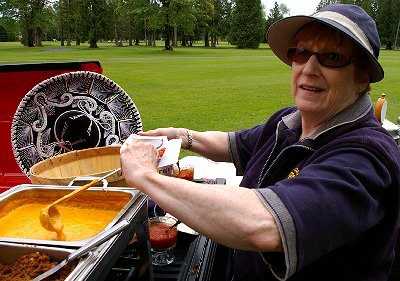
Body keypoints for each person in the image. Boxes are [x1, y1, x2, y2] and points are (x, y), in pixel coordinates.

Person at [120, 4, 400, 281]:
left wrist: (145, 175)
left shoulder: (366, 159)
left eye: (332, 57)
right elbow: (234, 143)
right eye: (301, 53)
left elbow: (265, 225)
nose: (309, 69)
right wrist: (184, 136)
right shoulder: (290, 120)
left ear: (363, 77)